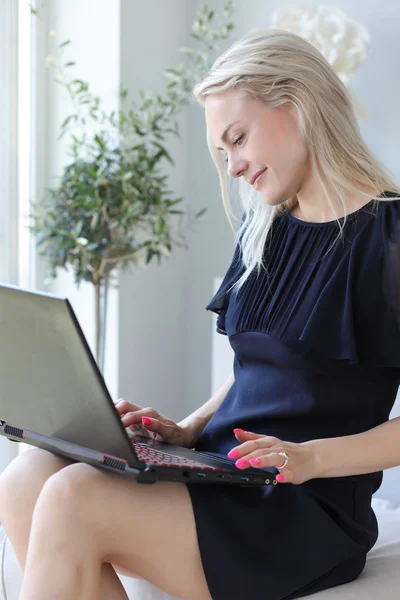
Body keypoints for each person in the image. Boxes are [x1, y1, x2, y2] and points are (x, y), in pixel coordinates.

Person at [1, 28, 400, 600]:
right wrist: (187, 429)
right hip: (226, 469)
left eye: (237, 139)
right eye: (224, 152)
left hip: (301, 504)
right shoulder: (267, 230)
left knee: (71, 499)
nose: (234, 166)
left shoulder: (388, 237)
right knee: (23, 479)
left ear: (299, 104)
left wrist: (310, 458)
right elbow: (258, 372)